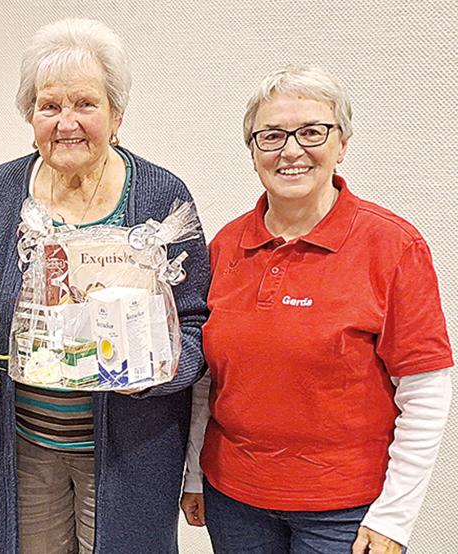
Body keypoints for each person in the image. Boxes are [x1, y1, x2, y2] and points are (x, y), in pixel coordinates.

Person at [180, 65, 453, 554]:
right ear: (253, 150)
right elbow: (206, 380)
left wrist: (395, 517)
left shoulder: (392, 245)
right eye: (272, 135)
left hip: (345, 513)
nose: (291, 150)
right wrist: (195, 473)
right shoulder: (225, 246)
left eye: (311, 131)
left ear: (342, 143)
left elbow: (426, 390)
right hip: (234, 499)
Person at [0, 19, 211, 554]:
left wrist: (156, 371)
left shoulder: (161, 196)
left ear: (117, 115)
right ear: (30, 116)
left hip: (132, 448)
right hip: (25, 446)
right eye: (49, 106)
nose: (66, 122)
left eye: (85, 104)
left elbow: (195, 322)